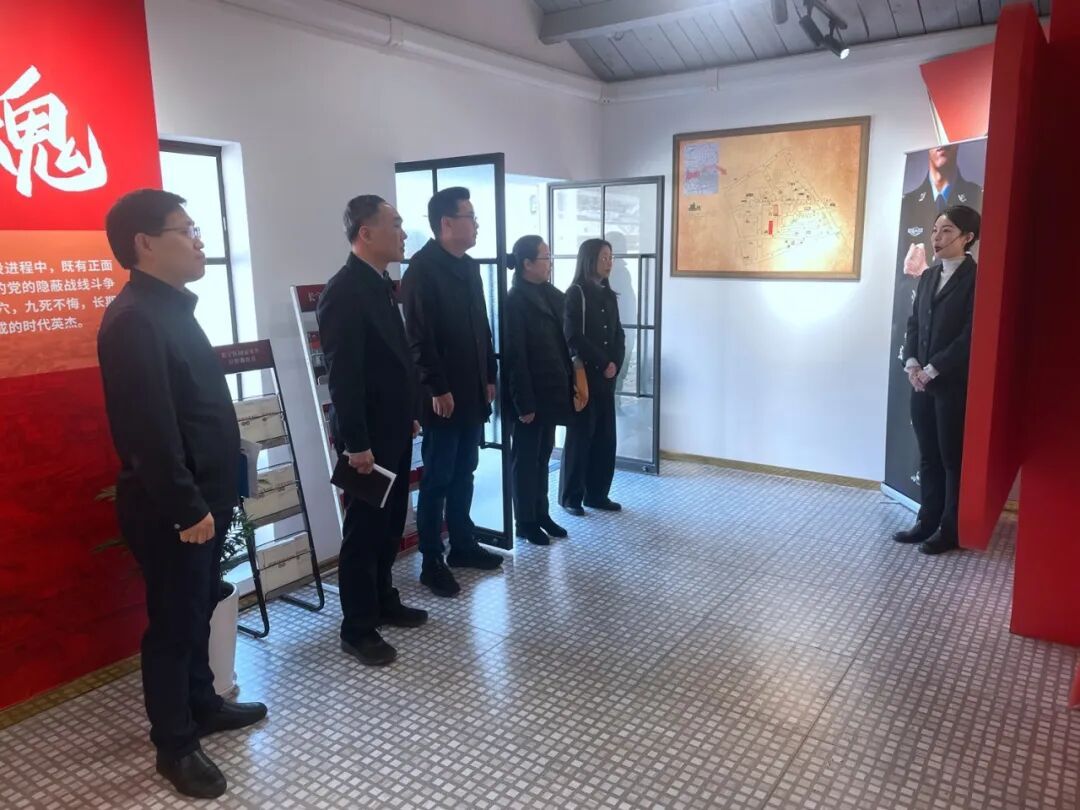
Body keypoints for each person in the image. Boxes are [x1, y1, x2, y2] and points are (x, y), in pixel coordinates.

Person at [97, 190, 266, 800]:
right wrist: (186, 506)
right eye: (186, 230)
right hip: (175, 508)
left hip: (204, 499)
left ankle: (202, 704)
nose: (199, 241)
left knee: (196, 609)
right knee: (172, 624)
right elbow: (148, 430)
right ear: (144, 243)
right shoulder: (134, 319)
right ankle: (174, 745)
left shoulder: (172, 307)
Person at [317, 195, 428, 666]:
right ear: (365, 232)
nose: (403, 234)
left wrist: (410, 413)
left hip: (393, 428)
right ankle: (357, 627)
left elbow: (393, 359)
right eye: (395, 224)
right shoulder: (343, 291)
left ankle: (384, 599)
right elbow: (344, 377)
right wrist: (357, 444)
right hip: (366, 439)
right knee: (363, 532)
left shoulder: (381, 284)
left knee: (389, 522)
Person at [400, 186, 502, 598]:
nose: (476, 225)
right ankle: (431, 560)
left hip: (472, 391)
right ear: (446, 223)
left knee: (465, 471)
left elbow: (482, 327)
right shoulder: (421, 270)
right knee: (438, 478)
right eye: (470, 217)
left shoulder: (470, 267)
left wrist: (490, 374)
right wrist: (436, 387)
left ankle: (462, 544)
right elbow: (417, 338)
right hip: (442, 397)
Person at [893, 205, 982, 556]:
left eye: (946, 231)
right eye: (934, 230)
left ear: (967, 237)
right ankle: (926, 520)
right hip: (922, 383)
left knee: (950, 459)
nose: (937, 238)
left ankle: (949, 528)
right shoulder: (929, 275)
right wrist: (913, 363)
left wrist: (933, 369)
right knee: (928, 455)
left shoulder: (977, 278)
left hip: (951, 384)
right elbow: (915, 322)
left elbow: (970, 334)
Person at [503, 235, 576, 546]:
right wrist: (524, 403)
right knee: (525, 459)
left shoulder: (550, 295)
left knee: (543, 455)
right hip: (529, 395)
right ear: (527, 264)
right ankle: (525, 521)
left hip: (551, 391)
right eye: (545, 258)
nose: (550, 263)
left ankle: (541, 513)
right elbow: (515, 356)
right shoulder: (515, 301)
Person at [559, 238, 625, 516]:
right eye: (604, 257)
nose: (609, 263)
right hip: (585, 376)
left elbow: (619, 333)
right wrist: (602, 362)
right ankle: (571, 497)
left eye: (610, 257)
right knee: (581, 437)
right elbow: (573, 336)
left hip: (607, 378)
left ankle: (597, 494)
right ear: (589, 260)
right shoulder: (575, 294)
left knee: (605, 437)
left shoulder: (609, 295)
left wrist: (616, 363)